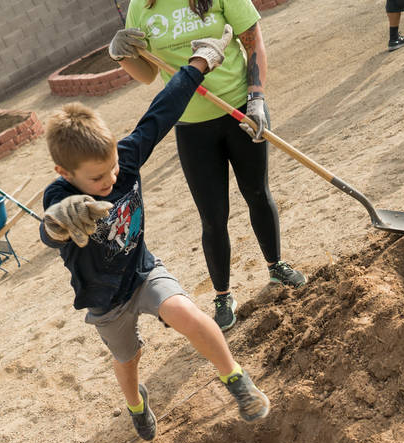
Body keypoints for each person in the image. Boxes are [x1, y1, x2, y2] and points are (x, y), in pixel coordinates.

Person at [39, 26, 271, 440]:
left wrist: (200, 62)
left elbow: (161, 111)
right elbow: (50, 232)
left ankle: (236, 380)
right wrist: (58, 220)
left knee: (187, 313)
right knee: (128, 360)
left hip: (143, 273)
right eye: (96, 179)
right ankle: (136, 403)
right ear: (65, 173)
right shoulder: (60, 195)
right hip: (104, 297)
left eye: (112, 168)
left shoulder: (123, 161)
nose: (111, 179)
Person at [110, 0, 306, 332]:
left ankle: (276, 265)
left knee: (257, 192)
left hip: (241, 111)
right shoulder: (141, 6)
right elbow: (148, 75)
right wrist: (121, 56)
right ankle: (222, 294)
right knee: (212, 217)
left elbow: (252, 38)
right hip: (190, 126)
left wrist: (257, 97)